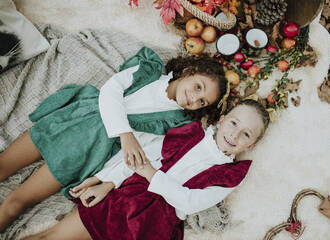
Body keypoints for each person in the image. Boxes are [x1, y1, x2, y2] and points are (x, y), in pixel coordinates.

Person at [0, 46, 227, 232]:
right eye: (198, 87)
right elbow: (111, 90)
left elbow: (141, 156)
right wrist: (125, 133)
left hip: (84, 152)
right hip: (70, 119)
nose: (194, 98)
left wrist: (106, 181)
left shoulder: (177, 124)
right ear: (189, 70)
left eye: (202, 102)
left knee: (16, 201)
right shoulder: (148, 70)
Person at [23, 99, 270, 240]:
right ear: (223, 118)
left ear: (252, 144)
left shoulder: (230, 176)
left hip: (154, 226)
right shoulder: (189, 133)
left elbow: (189, 202)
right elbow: (139, 157)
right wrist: (108, 183)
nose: (235, 134)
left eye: (246, 133)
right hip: (128, 197)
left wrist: (151, 173)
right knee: (52, 237)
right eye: (234, 123)